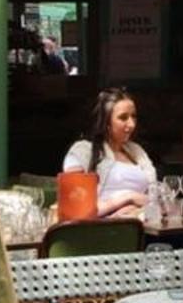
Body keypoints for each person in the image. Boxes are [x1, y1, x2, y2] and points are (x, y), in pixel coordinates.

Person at [62, 88, 156, 217]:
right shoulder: (82, 151)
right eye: (123, 118)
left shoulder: (136, 151)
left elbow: (155, 197)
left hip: (142, 225)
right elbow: (74, 209)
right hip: (100, 230)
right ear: (106, 122)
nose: (132, 124)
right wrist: (128, 198)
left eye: (133, 116)